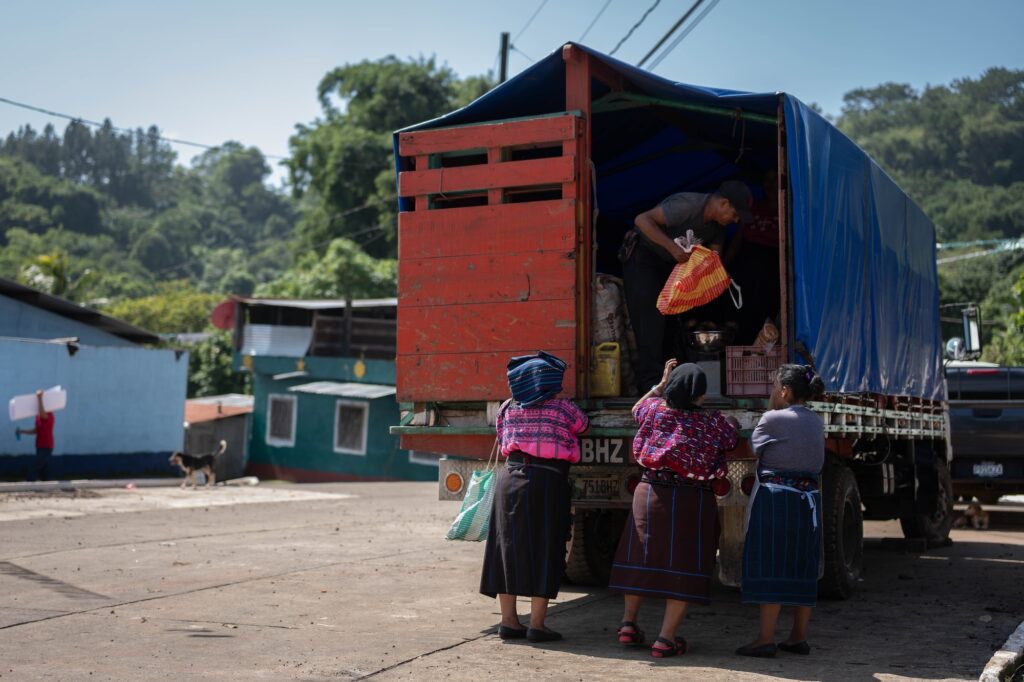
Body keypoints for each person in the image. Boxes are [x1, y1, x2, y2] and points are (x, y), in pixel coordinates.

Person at [608, 360, 739, 658]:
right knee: (684, 565)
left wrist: (659, 384)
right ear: (701, 395)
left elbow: (636, 409)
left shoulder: (654, 410)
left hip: (650, 494)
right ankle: (665, 639)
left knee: (640, 559)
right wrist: (731, 422)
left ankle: (628, 624)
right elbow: (730, 439)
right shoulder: (712, 422)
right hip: (692, 499)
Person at [480, 351, 590, 644]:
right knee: (546, 547)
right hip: (546, 479)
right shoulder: (563, 408)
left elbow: (503, 438)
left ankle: (509, 622)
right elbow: (583, 426)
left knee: (507, 549)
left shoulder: (507, 407)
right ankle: (537, 626)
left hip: (510, 477)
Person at [622, 181, 754, 393]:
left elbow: (714, 258)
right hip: (644, 258)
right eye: (735, 214)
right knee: (650, 321)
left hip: (670, 265)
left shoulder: (717, 228)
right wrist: (672, 248)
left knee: (672, 321)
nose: (735, 220)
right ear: (724, 203)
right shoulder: (687, 205)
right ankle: (650, 386)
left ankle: (671, 382)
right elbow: (642, 219)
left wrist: (720, 275)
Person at [736, 364, 826, 658]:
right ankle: (798, 636)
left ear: (785, 391)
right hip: (808, 500)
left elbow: (754, 450)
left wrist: (772, 408)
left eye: (776, 386)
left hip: (776, 500)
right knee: (802, 565)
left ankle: (765, 639)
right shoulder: (816, 420)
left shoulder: (772, 418)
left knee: (771, 563)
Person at [16, 390, 55, 482]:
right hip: (39, 445)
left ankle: (29, 481)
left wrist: (39, 398)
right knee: (43, 468)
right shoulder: (38, 417)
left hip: (46, 445)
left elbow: (42, 414)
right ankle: (47, 482)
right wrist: (22, 431)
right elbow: (36, 430)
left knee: (35, 465)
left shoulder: (49, 415)